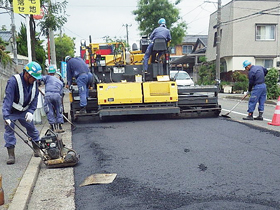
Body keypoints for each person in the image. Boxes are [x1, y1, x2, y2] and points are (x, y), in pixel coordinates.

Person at [2, 61, 42, 164]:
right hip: (11, 111)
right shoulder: (14, 81)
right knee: (9, 131)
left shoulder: (34, 84)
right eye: (33, 77)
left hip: (25, 111)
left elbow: (35, 99)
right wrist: (6, 116)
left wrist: (31, 112)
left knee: (32, 128)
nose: (35, 80)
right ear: (26, 74)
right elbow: (8, 99)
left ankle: (36, 149)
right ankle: (11, 155)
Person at [41, 65, 64, 133]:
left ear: (48, 72)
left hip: (48, 95)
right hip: (57, 95)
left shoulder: (48, 77)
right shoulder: (59, 81)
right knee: (59, 109)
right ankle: (59, 126)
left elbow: (40, 78)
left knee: (49, 110)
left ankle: (53, 126)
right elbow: (61, 93)